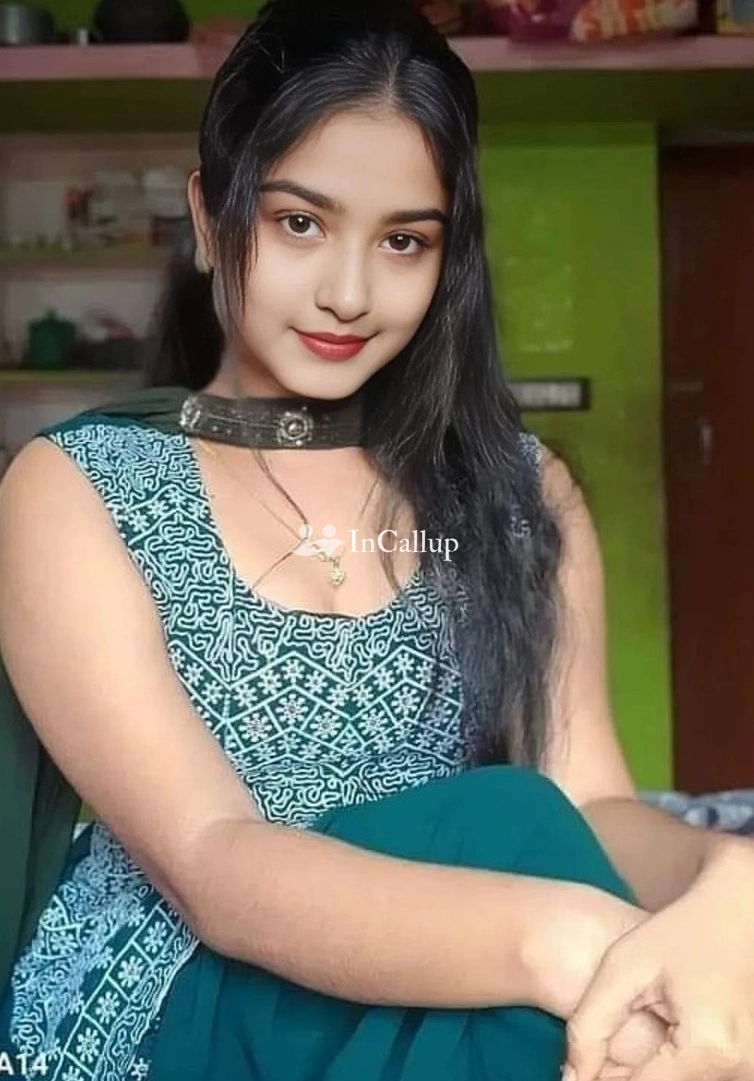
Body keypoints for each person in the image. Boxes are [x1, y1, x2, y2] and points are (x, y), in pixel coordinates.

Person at [0, 1, 753, 1079]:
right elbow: (214, 863)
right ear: (209, 216)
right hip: (174, 988)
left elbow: (593, 807)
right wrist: (564, 938)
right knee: (521, 858)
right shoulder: (75, 487)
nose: (348, 294)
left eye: (403, 241)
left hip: (461, 970)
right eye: (299, 224)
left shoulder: (519, 494)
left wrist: (723, 884)